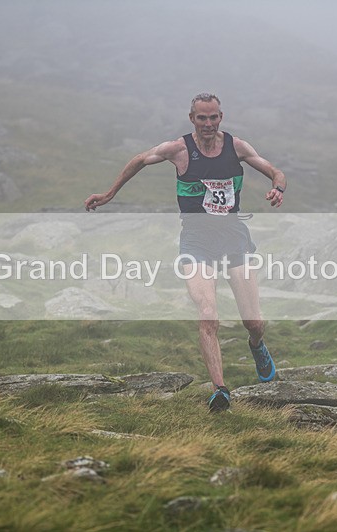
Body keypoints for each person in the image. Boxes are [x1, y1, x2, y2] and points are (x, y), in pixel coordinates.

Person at [84, 93, 287, 412]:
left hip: (234, 239)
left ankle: (257, 345)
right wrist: (110, 194)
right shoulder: (177, 150)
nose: (208, 124)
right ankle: (220, 390)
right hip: (196, 242)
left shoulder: (237, 147)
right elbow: (139, 159)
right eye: (202, 118)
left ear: (221, 117)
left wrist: (278, 188)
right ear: (192, 118)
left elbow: (276, 171)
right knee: (208, 314)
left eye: (214, 117)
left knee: (254, 322)